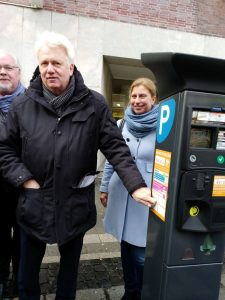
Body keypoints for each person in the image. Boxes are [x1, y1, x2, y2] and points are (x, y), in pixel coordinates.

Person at [0, 32, 156, 300]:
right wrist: (25, 180)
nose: (50, 69)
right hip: (33, 206)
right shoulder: (22, 105)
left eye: (57, 63)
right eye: (44, 63)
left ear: (70, 67)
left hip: (75, 207)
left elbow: (115, 147)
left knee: (68, 278)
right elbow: (4, 149)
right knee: (27, 278)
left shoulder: (94, 104)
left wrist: (136, 186)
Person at [100, 78, 159, 300]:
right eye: (133, 96)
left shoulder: (165, 127)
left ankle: (146, 292)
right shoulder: (121, 124)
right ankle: (130, 291)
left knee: (142, 253)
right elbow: (110, 160)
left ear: (153, 98)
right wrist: (104, 187)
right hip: (121, 193)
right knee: (125, 247)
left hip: (145, 197)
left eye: (142, 96)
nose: (137, 101)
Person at [0, 50, 25, 299]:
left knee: (22, 243)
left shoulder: (31, 103)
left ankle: (19, 283)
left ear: (18, 72)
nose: (2, 72)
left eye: (8, 67)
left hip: (23, 190)